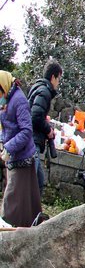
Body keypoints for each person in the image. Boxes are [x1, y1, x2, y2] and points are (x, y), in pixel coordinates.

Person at [0, 71, 42, 227]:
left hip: (22, 158)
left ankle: (6, 232)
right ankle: (30, 228)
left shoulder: (19, 100)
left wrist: (9, 147)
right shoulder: (5, 99)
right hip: (12, 156)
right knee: (24, 201)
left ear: (4, 86)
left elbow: (26, 131)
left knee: (12, 202)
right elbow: (5, 126)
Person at [27, 59, 62, 193]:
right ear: (53, 77)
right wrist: (48, 130)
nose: (58, 83)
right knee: (31, 183)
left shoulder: (37, 87)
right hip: (32, 141)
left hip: (31, 138)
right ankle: (23, 213)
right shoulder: (44, 91)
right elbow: (35, 116)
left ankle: (35, 212)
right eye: (58, 79)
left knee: (38, 182)